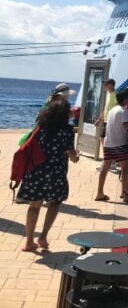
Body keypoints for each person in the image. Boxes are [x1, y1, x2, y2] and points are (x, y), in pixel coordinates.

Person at [17, 97, 78, 252]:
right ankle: (43, 236)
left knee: (34, 206)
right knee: (55, 202)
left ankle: (29, 241)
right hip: (56, 172)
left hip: (36, 170)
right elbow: (71, 154)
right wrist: (76, 158)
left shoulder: (41, 126)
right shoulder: (67, 130)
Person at [95, 89, 128, 202]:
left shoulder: (112, 110)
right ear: (125, 99)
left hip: (108, 143)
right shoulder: (124, 111)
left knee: (105, 168)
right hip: (120, 143)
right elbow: (127, 127)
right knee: (125, 169)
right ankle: (125, 194)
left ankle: (99, 193)